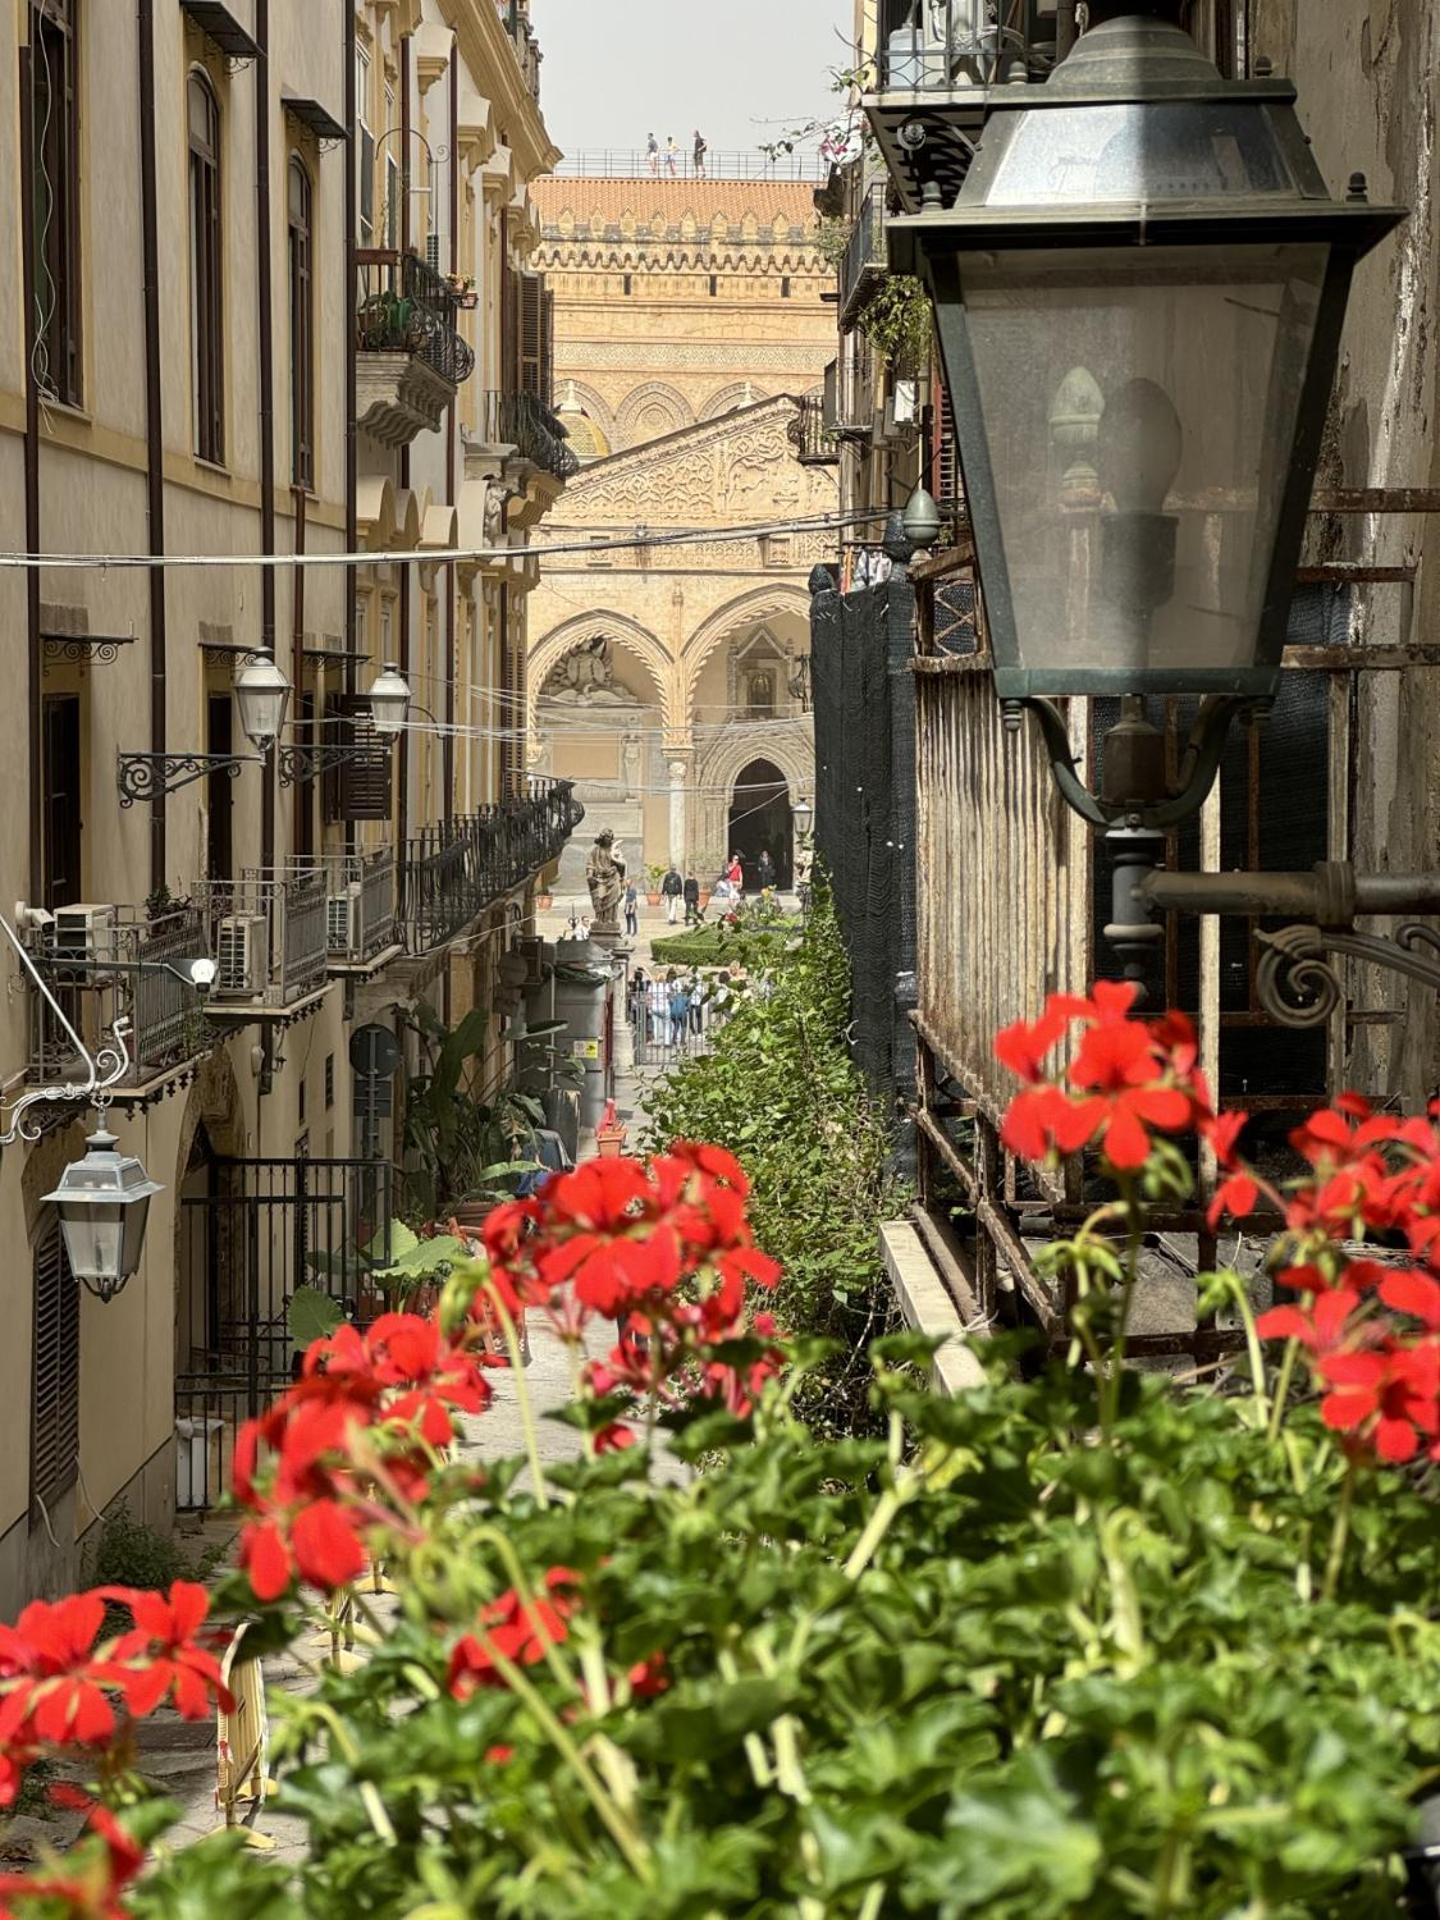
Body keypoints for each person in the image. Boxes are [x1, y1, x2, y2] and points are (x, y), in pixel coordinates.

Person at [666, 970, 690, 1047]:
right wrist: (687, 1009)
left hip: (673, 1012)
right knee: (684, 1026)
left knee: (676, 1026)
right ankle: (682, 1041)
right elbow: (688, 1007)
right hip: (681, 1012)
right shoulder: (685, 995)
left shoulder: (673, 994)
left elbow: (670, 1000)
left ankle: (674, 1039)